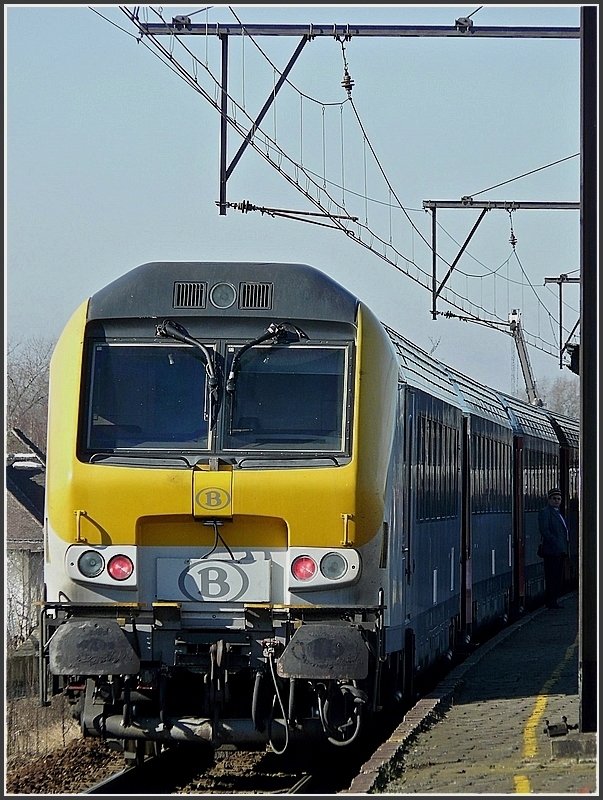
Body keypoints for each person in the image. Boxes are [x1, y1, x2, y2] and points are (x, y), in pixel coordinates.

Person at [538, 487, 569, 609]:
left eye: (559, 499)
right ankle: (551, 601)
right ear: (549, 499)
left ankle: (554, 600)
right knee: (552, 576)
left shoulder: (558, 513)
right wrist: (555, 542)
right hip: (552, 551)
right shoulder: (545, 512)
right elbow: (544, 530)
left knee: (557, 576)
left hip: (559, 550)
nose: (557, 501)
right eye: (554, 499)